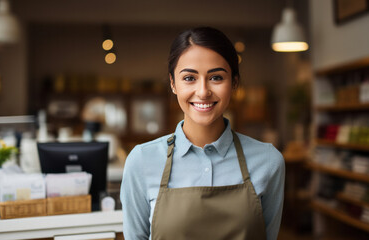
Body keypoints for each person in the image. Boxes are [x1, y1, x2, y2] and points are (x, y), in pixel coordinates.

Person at [120, 26, 285, 240]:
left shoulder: (269, 161)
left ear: (234, 83)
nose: (203, 92)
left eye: (216, 77)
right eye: (189, 78)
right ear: (173, 84)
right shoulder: (141, 160)